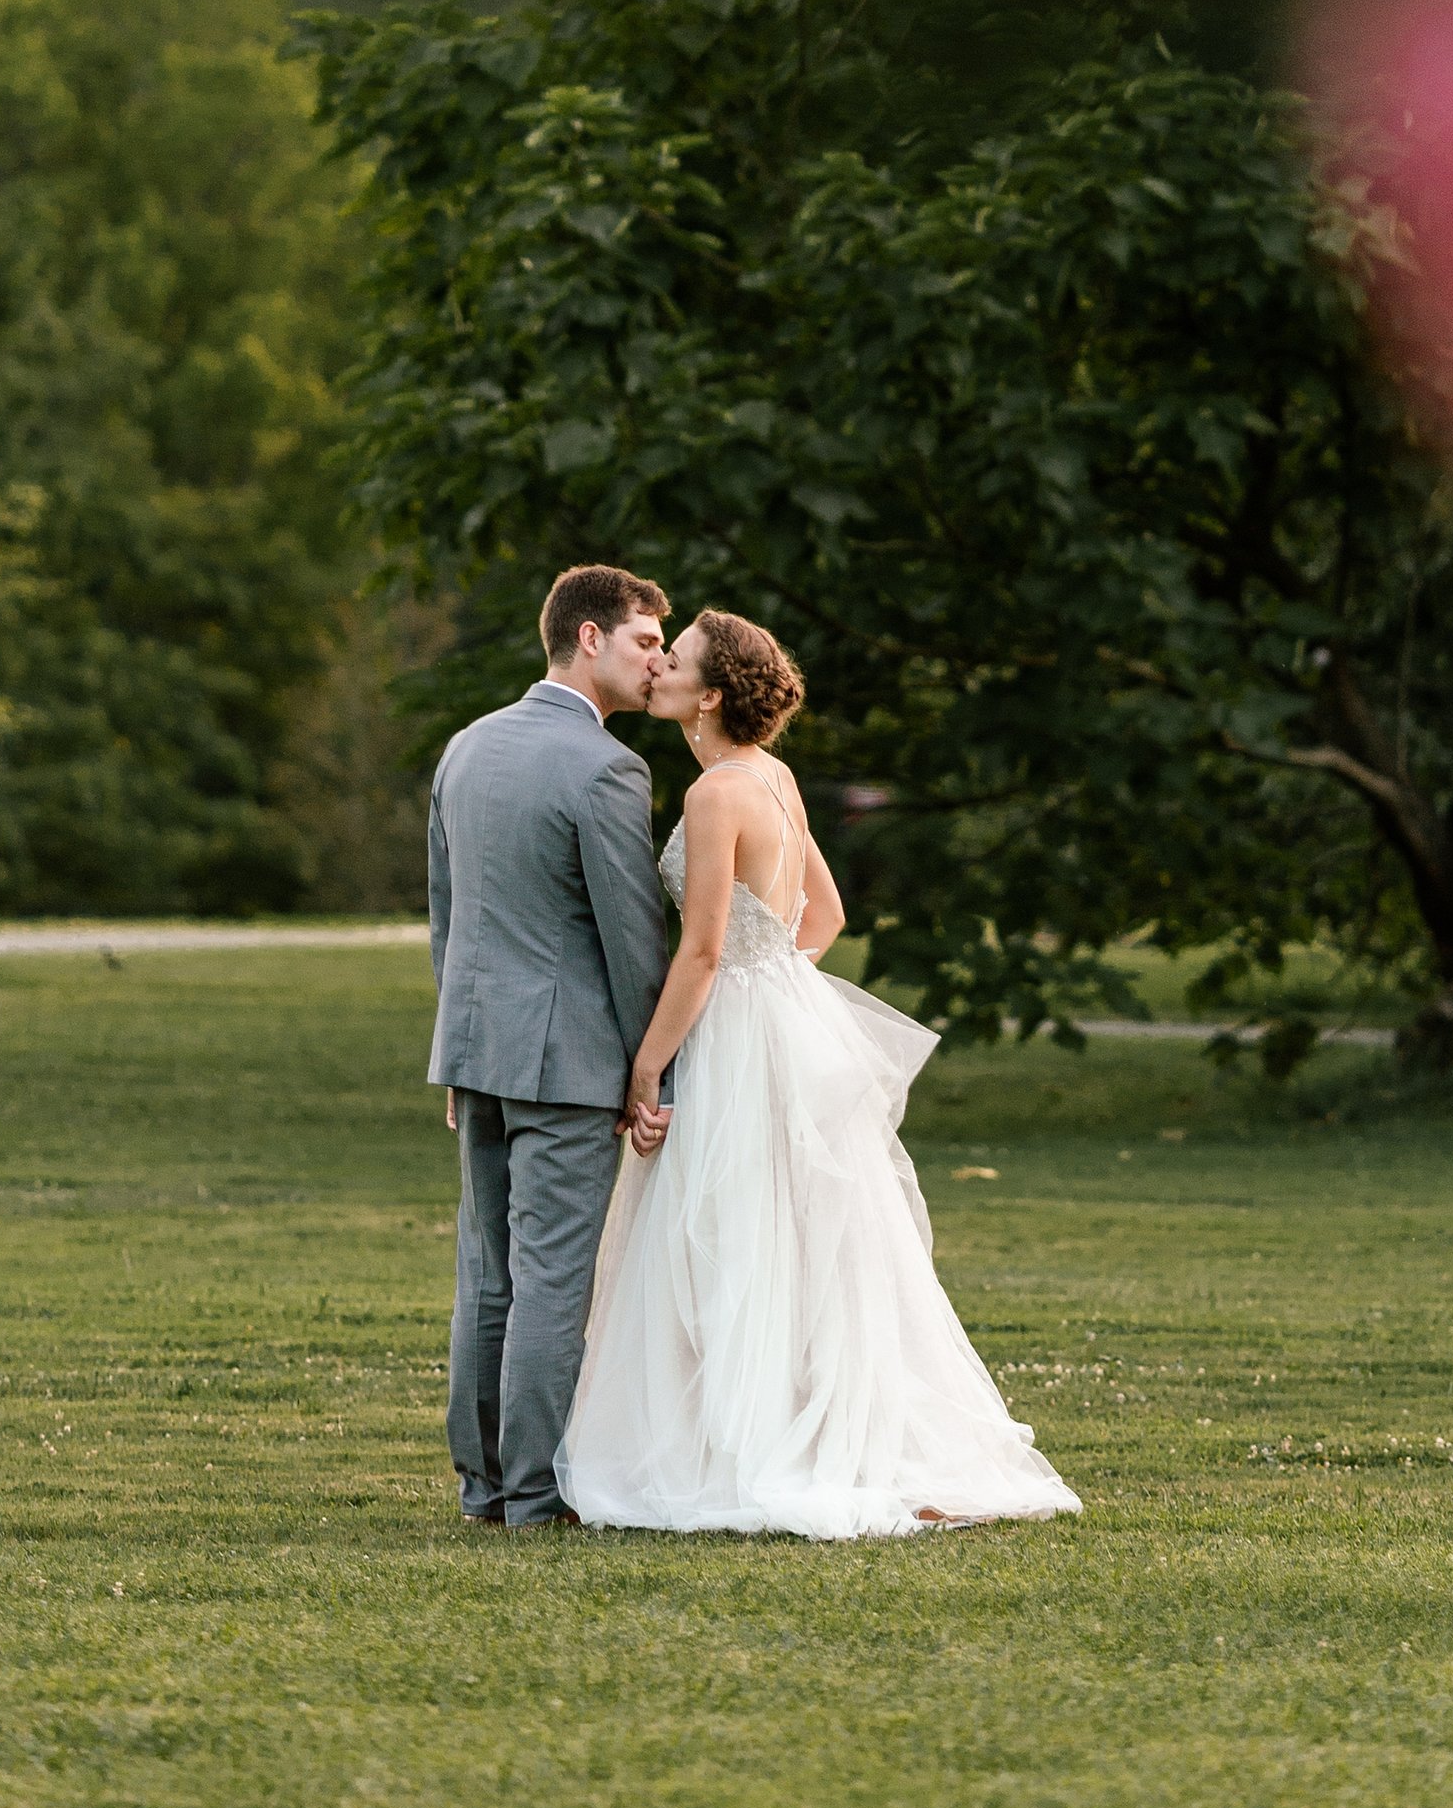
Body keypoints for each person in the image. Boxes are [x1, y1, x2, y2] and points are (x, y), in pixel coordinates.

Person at [555, 605, 1081, 1538]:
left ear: (708, 696)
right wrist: (778, 985)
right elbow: (825, 915)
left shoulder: (716, 795)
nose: (659, 669)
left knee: (731, 1231)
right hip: (784, 1021)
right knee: (797, 1238)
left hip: (739, 1031)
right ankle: (807, 1432)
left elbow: (704, 951)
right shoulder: (777, 779)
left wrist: (647, 1066)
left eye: (673, 660)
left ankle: (744, 1448)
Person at [427, 563, 670, 1530]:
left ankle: (483, 1486)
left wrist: (455, 1047)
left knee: (489, 1275)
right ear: (589, 639)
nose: (656, 662)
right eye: (646, 641)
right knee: (551, 1283)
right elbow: (632, 942)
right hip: (568, 1065)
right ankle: (534, 1494)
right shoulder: (607, 767)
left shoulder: (468, 747)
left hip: (476, 1052)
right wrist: (656, 1071)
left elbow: (448, 916)